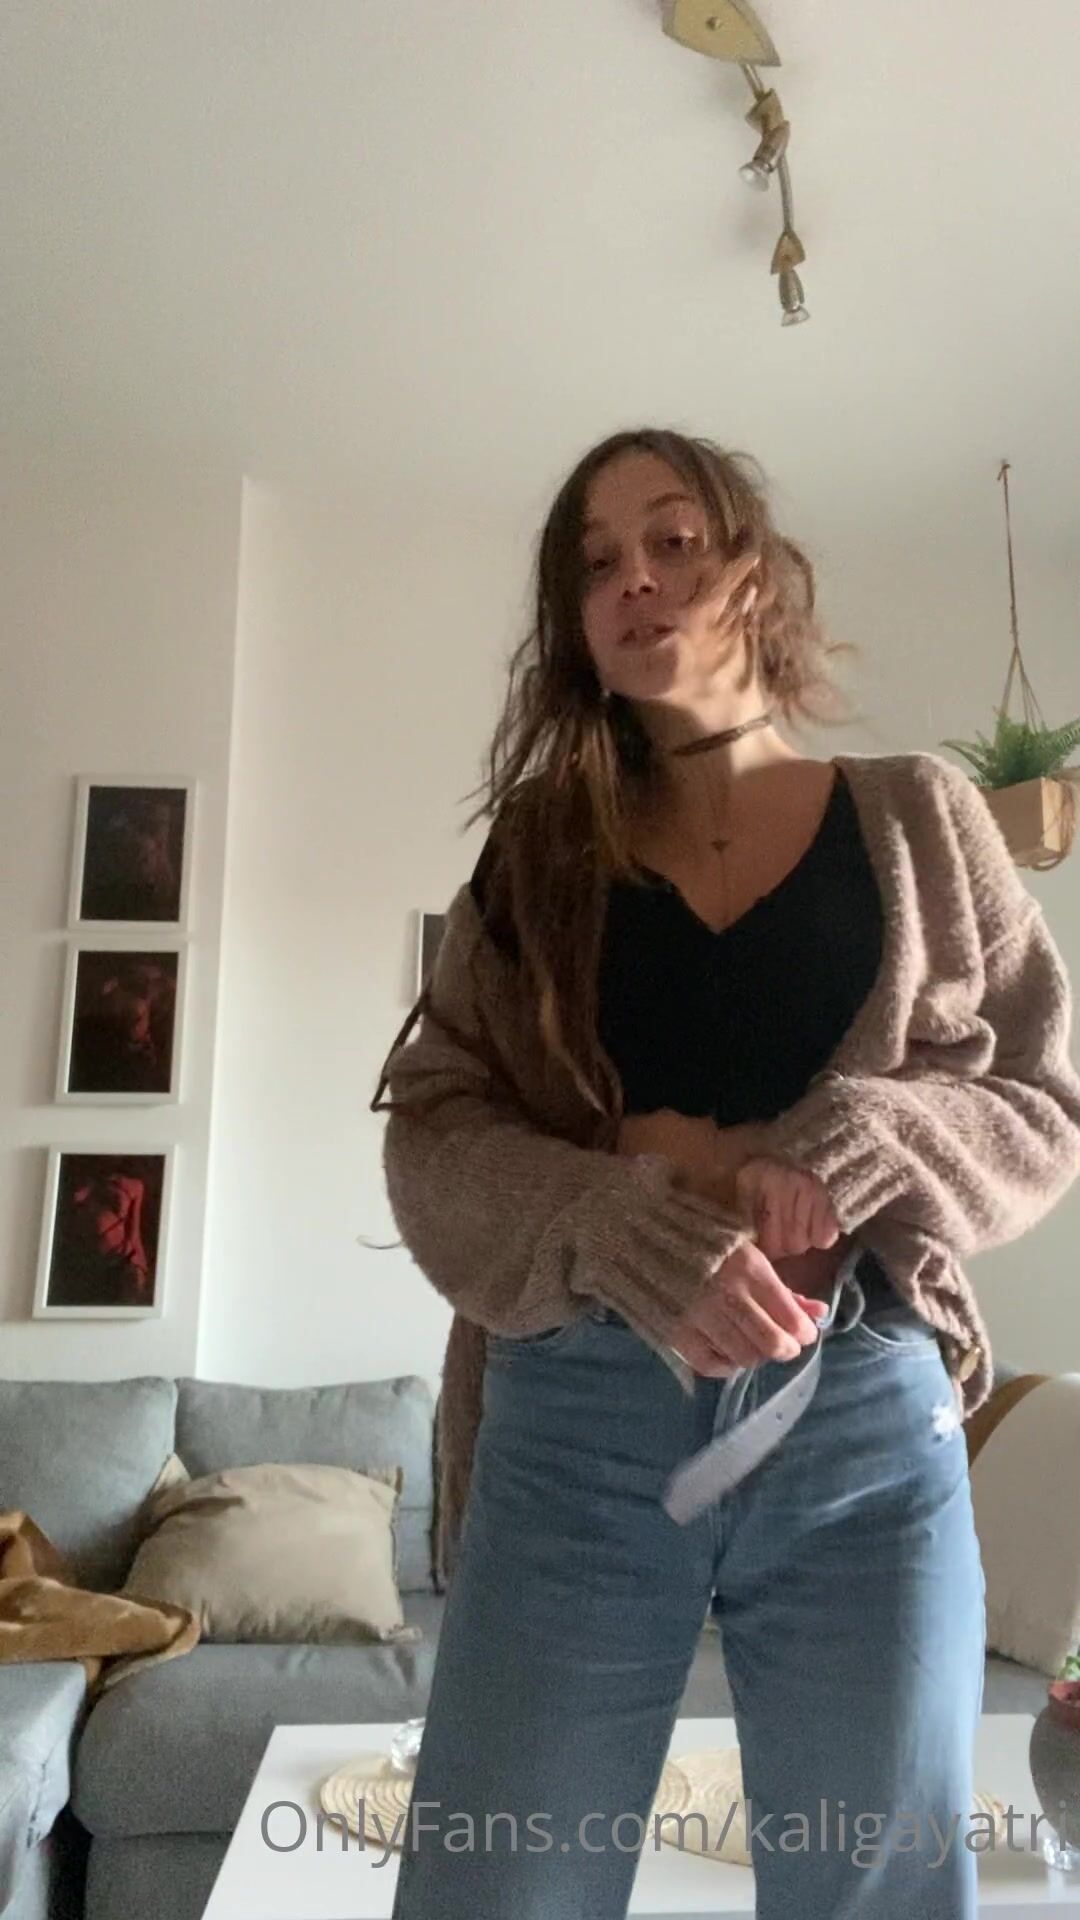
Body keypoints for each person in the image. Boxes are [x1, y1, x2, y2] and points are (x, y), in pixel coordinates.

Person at [369, 428, 1080, 1918]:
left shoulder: (921, 815)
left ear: (754, 572)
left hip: (862, 1425)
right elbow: (433, 1128)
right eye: (595, 563)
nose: (633, 578)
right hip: (573, 1430)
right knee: (498, 1887)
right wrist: (604, 1220)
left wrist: (873, 1136)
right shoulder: (540, 852)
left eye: (672, 540)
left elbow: (1040, 1106)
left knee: (880, 1891)